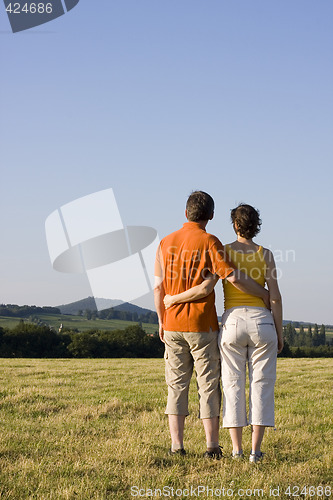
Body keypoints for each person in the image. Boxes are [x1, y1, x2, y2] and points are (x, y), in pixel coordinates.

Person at [163, 203, 283, 463]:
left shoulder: (224, 250)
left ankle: (236, 450)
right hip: (263, 323)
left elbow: (213, 282)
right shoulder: (267, 255)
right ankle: (255, 452)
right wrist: (279, 331)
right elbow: (275, 297)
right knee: (261, 386)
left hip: (232, 324)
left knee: (232, 385)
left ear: (234, 225)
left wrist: (172, 300)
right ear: (256, 225)